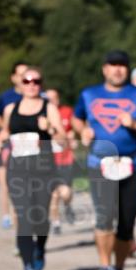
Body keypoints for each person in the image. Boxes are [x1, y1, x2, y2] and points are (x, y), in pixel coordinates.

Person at [73, 50, 136, 270]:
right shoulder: (89, 94)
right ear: (104, 69)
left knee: (125, 223)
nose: (117, 70)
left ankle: (119, 269)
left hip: (131, 163)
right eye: (112, 65)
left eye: (122, 65)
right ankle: (105, 268)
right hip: (99, 163)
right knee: (104, 219)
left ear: (127, 69)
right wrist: (82, 131)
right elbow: (77, 118)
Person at [0, 69, 66, 270]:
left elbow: (63, 140)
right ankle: (28, 267)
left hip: (43, 169)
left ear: (41, 84)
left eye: (36, 81)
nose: (31, 84)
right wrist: (0, 141)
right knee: (24, 217)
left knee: (40, 217)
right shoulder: (11, 109)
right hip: (18, 169)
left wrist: (51, 129)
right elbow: (5, 135)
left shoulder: (49, 108)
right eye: (27, 80)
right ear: (20, 83)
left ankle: (40, 248)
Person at [0, 61, 29, 228]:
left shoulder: (36, 94)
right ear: (13, 77)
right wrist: (5, 128)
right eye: (20, 74)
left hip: (29, 147)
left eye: (26, 73)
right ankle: (7, 215)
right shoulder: (6, 97)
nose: (24, 78)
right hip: (9, 144)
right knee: (7, 183)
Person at [46, 89, 77, 233]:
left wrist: (71, 136)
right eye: (49, 98)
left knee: (66, 192)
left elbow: (73, 130)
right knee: (54, 193)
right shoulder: (41, 115)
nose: (52, 101)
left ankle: (68, 206)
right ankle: (56, 222)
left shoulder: (67, 111)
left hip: (66, 159)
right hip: (49, 161)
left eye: (54, 98)